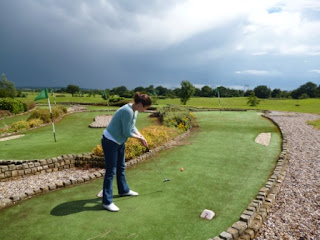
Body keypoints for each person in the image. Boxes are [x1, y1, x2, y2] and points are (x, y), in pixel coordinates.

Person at [98, 92, 152, 212]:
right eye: (146, 108)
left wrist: (141, 136)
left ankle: (123, 190)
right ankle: (107, 202)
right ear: (140, 104)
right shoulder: (127, 111)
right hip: (110, 141)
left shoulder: (135, 111)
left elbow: (132, 127)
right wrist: (140, 138)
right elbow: (127, 132)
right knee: (111, 171)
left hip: (119, 142)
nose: (145, 110)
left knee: (121, 167)